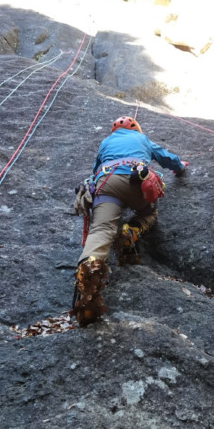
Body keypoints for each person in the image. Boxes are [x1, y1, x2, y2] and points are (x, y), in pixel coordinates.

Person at [71, 116, 188, 327]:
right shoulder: (142, 139)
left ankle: (89, 265)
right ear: (136, 128)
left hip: (107, 182)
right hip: (138, 181)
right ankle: (130, 231)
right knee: (148, 213)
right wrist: (180, 167)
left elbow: (96, 167)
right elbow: (164, 157)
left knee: (101, 229)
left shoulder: (106, 142)